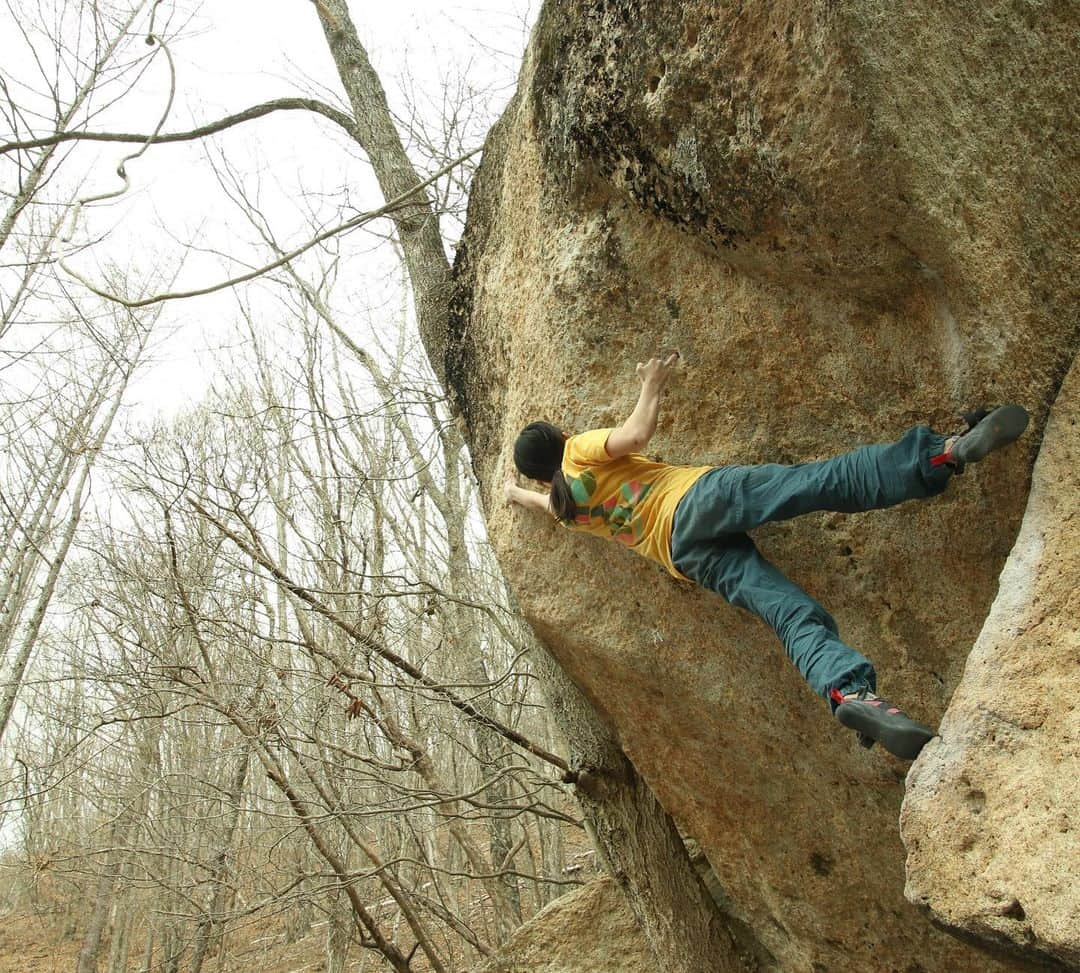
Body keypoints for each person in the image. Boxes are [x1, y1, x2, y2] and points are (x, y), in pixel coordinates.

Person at [504, 352, 1029, 760]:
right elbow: (636, 434)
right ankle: (942, 454)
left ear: (536, 477)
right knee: (820, 482)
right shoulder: (577, 451)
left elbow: (537, 500)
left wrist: (512, 494)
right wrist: (651, 382)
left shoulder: (563, 506)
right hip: (697, 498)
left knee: (788, 612)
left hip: (685, 556)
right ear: (561, 438)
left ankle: (848, 695)